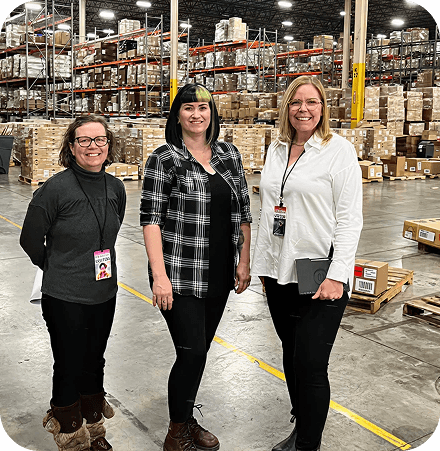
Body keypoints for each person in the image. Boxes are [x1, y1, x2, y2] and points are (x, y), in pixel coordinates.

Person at [251, 75, 363, 451]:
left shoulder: (339, 151)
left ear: (323, 108)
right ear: (286, 108)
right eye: (296, 102)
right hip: (280, 272)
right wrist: (263, 267)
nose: (304, 109)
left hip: (320, 272)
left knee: (312, 363)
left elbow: (350, 219)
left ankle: (308, 445)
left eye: (312, 102)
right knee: (291, 354)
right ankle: (302, 427)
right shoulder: (277, 149)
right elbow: (270, 211)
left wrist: (337, 276)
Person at [140, 83, 252, 451]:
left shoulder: (228, 154)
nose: (196, 114)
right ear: (177, 115)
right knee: (192, 353)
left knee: (200, 349)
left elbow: (244, 212)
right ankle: (176, 433)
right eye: (188, 108)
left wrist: (244, 261)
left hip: (219, 272)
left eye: (203, 107)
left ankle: (187, 418)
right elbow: (151, 220)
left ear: (212, 113)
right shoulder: (164, 158)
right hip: (180, 274)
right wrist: (159, 276)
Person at [20, 115, 126, 451]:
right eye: (85, 140)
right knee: (69, 361)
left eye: (100, 140)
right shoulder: (55, 189)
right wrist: (54, 266)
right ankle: (68, 429)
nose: (93, 147)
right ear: (72, 146)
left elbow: (111, 231)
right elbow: (30, 238)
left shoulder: (116, 187)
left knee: (95, 359)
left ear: (109, 145)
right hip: (65, 295)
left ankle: (94, 423)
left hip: (103, 291)